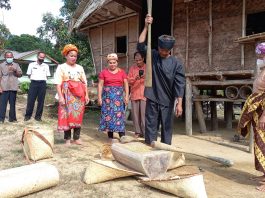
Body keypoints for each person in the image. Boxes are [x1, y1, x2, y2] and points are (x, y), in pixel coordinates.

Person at [137, 14, 185, 145]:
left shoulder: (177, 63)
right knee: (151, 126)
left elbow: (180, 84)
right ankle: (150, 147)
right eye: (160, 49)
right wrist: (146, 26)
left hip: (168, 101)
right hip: (152, 97)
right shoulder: (153, 55)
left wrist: (179, 104)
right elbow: (140, 45)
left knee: (167, 128)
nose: (162, 52)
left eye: (164, 50)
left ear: (170, 50)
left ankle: (165, 150)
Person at [238, 42, 265, 192]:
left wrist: (263, 117)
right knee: (260, 143)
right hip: (258, 111)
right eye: (259, 54)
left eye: (262, 54)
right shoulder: (263, 69)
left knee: (264, 144)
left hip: (263, 113)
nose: (259, 57)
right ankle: (264, 175)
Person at [54, 44, 89, 146]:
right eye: (71, 55)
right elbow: (58, 83)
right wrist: (61, 97)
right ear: (66, 56)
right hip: (66, 94)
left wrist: (86, 95)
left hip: (79, 95)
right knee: (67, 116)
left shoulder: (80, 67)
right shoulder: (61, 67)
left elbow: (84, 82)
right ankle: (68, 139)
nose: (73, 58)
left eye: (75, 56)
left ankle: (76, 138)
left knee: (78, 115)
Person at [98, 53, 129, 141]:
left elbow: (126, 84)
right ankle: (110, 136)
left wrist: (126, 96)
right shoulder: (103, 72)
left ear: (117, 62)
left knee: (119, 115)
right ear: (108, 63)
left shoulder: (122, 72)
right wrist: (99, 97)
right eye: (110, 63)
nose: (112, 64)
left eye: (114, 62)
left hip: (118, 98)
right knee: (109, 116)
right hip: (107, 98)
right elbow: (100, 85)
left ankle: (122, 135)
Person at [24, 51, 51, 121]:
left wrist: (41, 79)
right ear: (37, 56)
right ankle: (27, 116)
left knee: (41, 101)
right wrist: (35, 79)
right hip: (33, 83)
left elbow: (47, 76)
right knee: (30, 100)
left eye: (43, 57)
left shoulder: (46, 66)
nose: (41, 58)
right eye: (40, 57)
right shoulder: (31, 65)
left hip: (42, 84)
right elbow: (29, 74)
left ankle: (38, 117)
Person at [127, 51, 146, 138]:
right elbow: (128, 80)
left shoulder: (147, 68)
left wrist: (144, 77)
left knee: (144, 114)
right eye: (136, 60)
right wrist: (135, 78)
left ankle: (145, 132)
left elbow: (152, 80)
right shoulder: (132, 68)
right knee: (135, 114)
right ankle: (137, 132)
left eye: (139, 60)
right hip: (134, 93)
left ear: (143, 59)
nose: (138, 62)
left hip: (144, 94)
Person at [0, 51, 22, 123]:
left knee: (12, 104)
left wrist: (15, 70)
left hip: (13, 88)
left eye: (11, 57)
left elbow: (20, 75)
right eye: (8, 57)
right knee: (2, 104)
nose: (9, 58)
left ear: (13, 57)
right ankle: (1, 119)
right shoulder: (1, 65)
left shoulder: (16, 65)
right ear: (5, 57)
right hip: (4, 88)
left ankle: (12, 119)